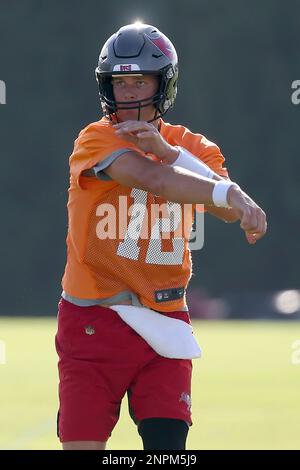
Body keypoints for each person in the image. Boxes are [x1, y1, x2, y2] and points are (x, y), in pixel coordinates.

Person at [55, 23, 267, 451]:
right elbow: (155, 179)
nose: (129, 93)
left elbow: (225, 209)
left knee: (168, 450)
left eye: (140, 80)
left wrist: (173, 152)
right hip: (94, 321)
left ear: (163, 84)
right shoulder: (96, 138)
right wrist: (228, 190)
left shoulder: (191, 146)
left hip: (165, 320)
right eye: (120, 82)